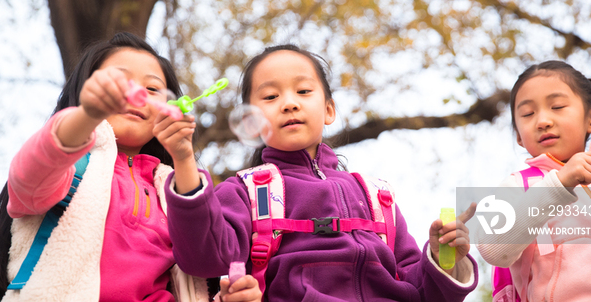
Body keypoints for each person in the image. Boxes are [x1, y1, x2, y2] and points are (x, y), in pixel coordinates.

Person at [163, 44, 479, 301]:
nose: (288, 104)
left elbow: (423, 292)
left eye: (303, 91)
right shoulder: (244, 192)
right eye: (271, 97)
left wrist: (442, 258)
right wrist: (184, 159)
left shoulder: (376, 196)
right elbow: (203, 257)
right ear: (251, 122)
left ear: (329, 110)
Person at [0, 32, 262, 302]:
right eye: (119, 83)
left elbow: (207, 261)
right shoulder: (70, 167)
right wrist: (87, 115)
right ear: (86, 91)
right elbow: (29, 179)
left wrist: (184, 158)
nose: (138, 94)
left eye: (152, 89)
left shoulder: (172, 187)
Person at [477, 60, 591, 301]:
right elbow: (493, 248)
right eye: (527, 113)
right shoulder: (518, 187)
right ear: (518, 135)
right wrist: (560, 183)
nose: (543, 121)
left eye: (557, 106)